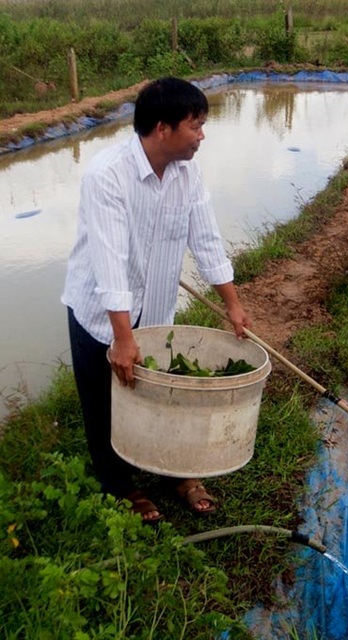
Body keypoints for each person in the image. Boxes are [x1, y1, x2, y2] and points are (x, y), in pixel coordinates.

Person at [62, 77, 251, 524]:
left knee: (161, 396)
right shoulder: (107, 176)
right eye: (196, 126)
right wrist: (122, 338)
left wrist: (232, 303)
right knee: (105, 404)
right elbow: (110, 261)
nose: (202, 136)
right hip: (100, 314)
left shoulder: (188, 173)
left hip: (156, 312)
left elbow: (205, 239)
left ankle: (176, 472)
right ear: (162, 128)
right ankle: (120, 484)